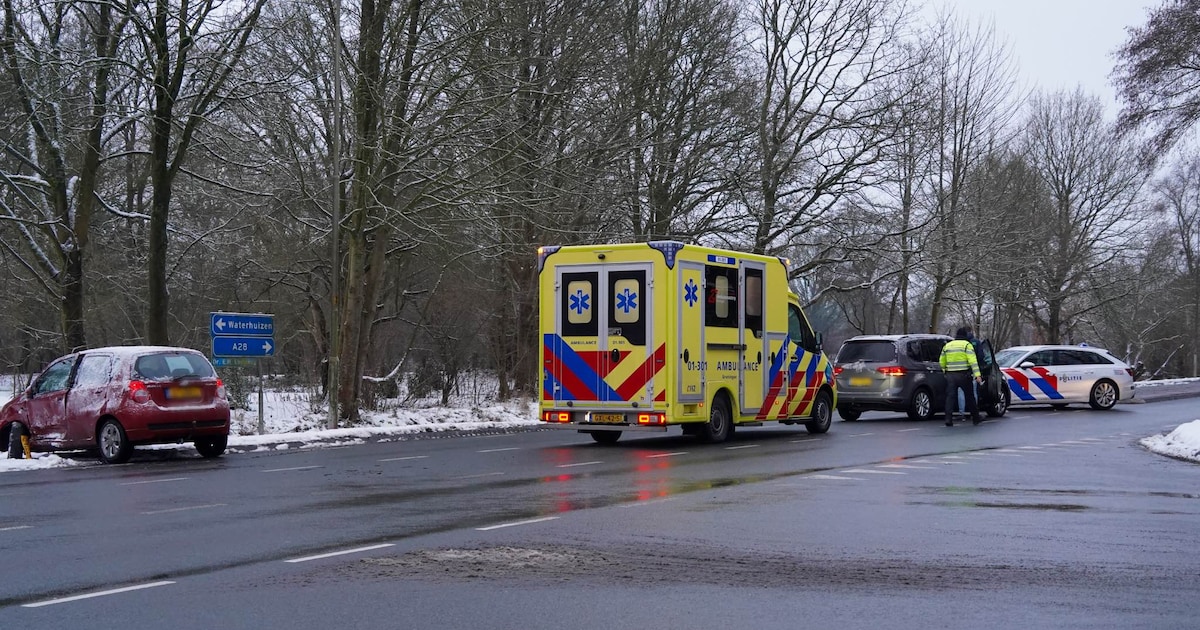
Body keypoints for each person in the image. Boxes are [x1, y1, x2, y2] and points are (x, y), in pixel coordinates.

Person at [940, 326, 983, 426]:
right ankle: (976, 418)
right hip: (964, 375)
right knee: (970, 396)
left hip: (951, 375)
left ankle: (948, 419)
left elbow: (942, 361)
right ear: (965, 335)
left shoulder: (948, 345)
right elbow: (973, 361)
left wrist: (945, 371)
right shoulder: (967, 345)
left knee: (950, 397)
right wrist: (977, 375)